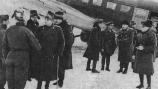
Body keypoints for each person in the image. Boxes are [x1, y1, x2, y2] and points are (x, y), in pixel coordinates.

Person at [2, 9, 41, 89]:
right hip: (22, 59)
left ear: (15, 19)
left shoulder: (8, 30)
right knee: (19, 84)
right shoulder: (27, 31)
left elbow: (4, 47)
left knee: (11, 84)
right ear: (24, 21)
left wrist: (7, 57)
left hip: (9, 58)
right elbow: (37, 46)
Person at [36, 11, 65, 89]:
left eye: (48, 19)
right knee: (40, 71)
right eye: (45, 19)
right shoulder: (40, 28)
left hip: (51, 54)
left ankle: (47, 86)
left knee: (49, 72)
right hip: (42, 54)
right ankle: (38, 86)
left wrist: (59, 52)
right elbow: (36, 41)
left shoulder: (57, 29)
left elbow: (62, 42)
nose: (46, 21)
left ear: (52, 20)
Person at [53, 11, 74, 87]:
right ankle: (59, 79)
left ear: (62, 19)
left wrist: (62, 49)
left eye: (58, 19)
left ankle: (61, 81)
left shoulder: (66, 27)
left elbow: (70, 40)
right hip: (58, 50)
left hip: (64, 51)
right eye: (55, 19)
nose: (56, 20)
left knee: (61, 66)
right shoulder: (57, 26)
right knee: (58, 66)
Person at [133, 20, 156, 89]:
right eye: (142, 26)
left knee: (147, 71)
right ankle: (141, 84)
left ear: (148, 27)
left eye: (144, 26)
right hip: (139, 54)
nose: (142, 27)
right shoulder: (140, 33)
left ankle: (149, 85)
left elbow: (153, 47)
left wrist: (144, 48)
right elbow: (136, 44)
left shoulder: (152, 34)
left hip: (147, 55)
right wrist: (134, 52)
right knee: (140, 70)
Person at [26, 10, 40, 81]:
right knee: (29, 60)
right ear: (30, 17)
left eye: (36, 17)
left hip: (35, 45)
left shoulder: (36, 23)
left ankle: (33, 74)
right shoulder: (29, 24)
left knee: (35, 60)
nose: (35, 18)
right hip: (30, 45)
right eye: (33, 17)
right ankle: (28, 75)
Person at [0, 15, 9, 89]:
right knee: (3, 73)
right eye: (7, 20)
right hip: (3, 56)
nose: (8, 22)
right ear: (4, 21)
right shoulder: (4, 32)